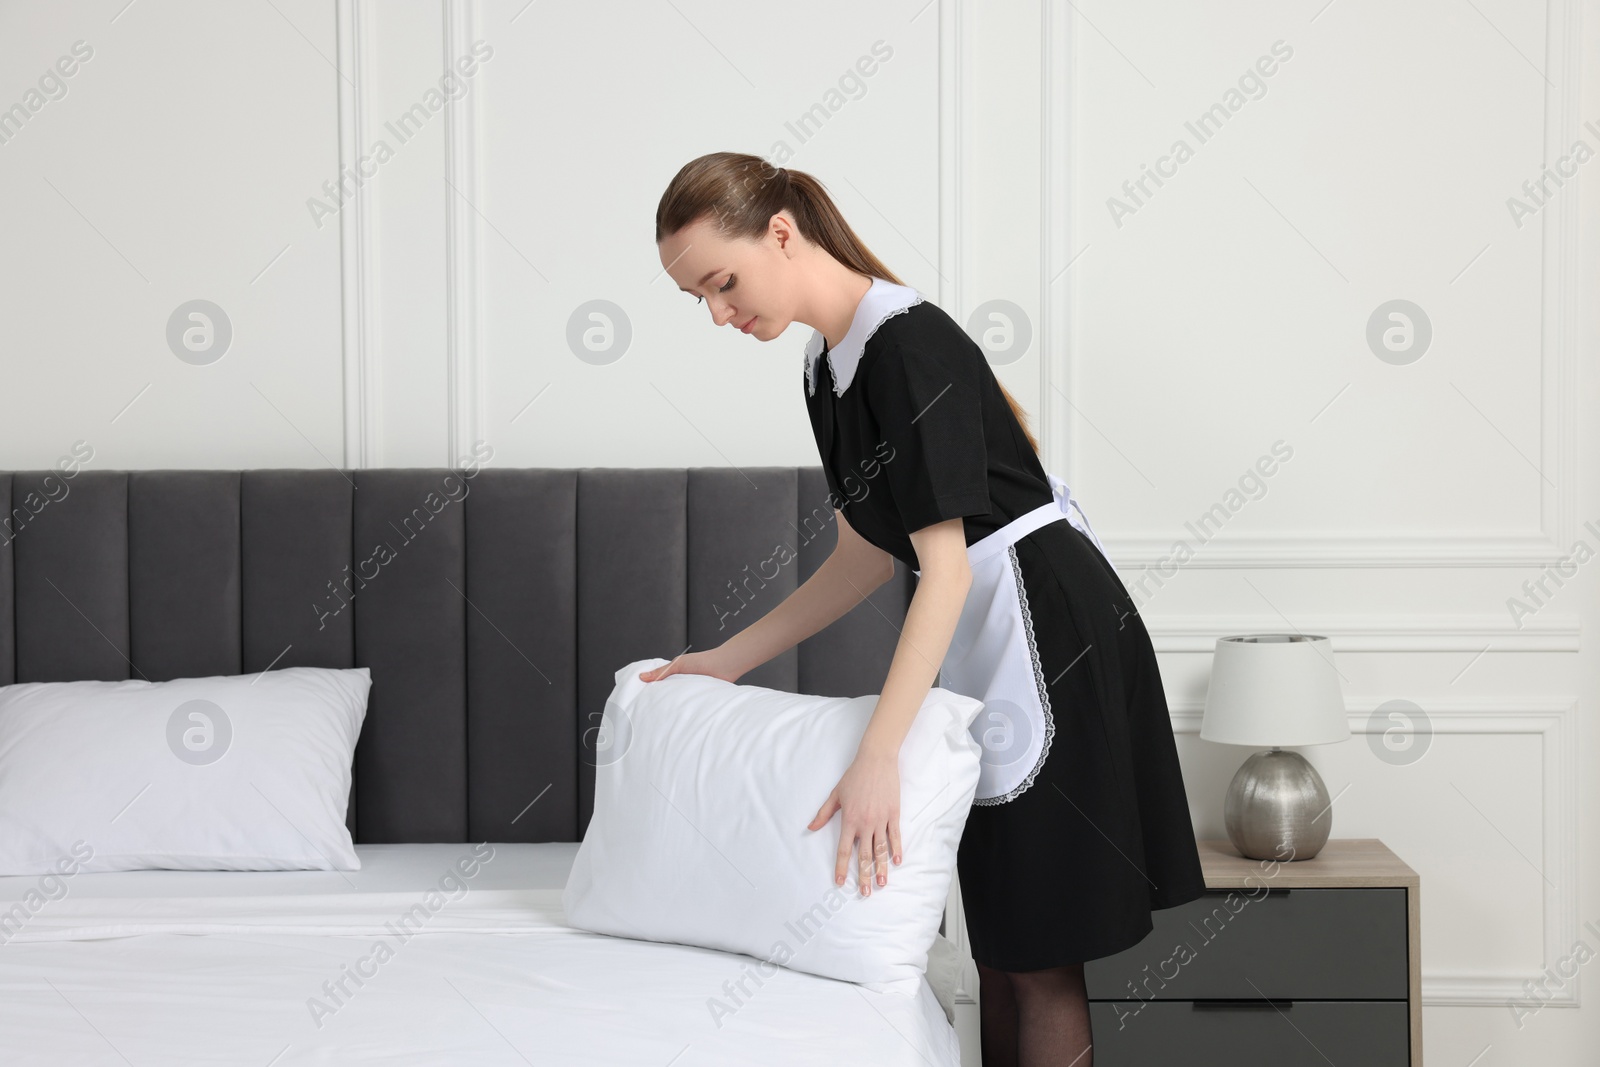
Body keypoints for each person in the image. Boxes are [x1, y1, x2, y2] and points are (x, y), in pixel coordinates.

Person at [645, 151, 1206, 1067]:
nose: (717, 312)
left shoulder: (909, 345)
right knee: (1000, 946)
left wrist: (881, 757)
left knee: (1036, 951)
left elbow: (940, 571)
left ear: (780, 233)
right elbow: (868, 554)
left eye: (722, 282)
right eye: (698, 297)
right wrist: (727, 658)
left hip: (1043, 626)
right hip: (980, 625)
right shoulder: (828, 371)